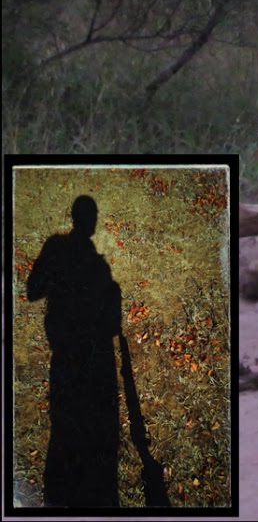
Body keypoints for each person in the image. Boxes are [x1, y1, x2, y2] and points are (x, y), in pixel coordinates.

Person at [26, 195, 122, 507]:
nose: (92, 222)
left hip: (71, 354)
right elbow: (33, 291)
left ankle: (64, 492)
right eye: (91, 216)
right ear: (88, 220)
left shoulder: (62, 250)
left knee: (70, 423)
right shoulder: (95, 266)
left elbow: (33, 290)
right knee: (79, 425)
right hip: (82, 356)